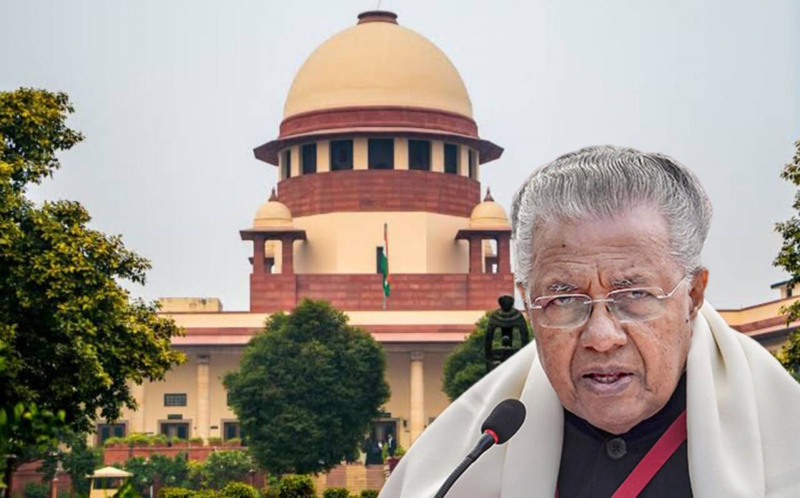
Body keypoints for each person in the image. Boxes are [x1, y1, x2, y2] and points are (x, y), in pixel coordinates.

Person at [380, 146, 800, 497]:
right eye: (564, 299)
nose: (601, 337)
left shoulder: (783, 444)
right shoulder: (463, 467)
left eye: (634, 295)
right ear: (528, 303)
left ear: (692, 295)